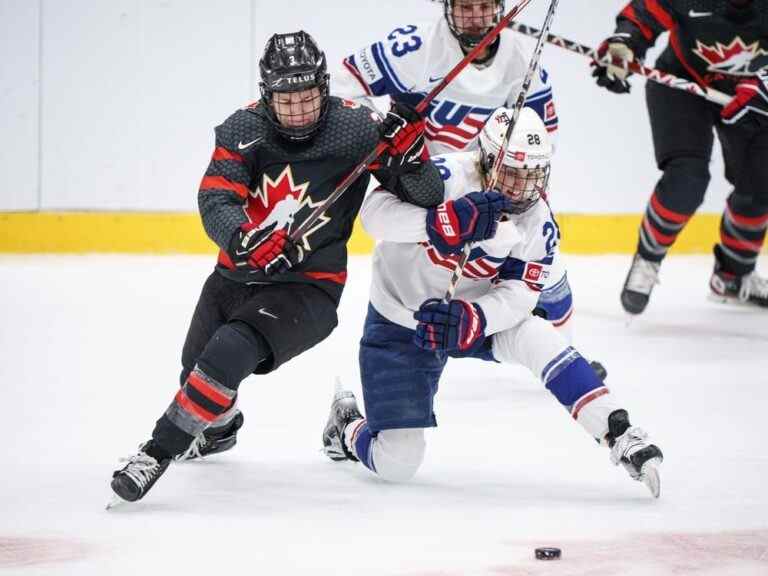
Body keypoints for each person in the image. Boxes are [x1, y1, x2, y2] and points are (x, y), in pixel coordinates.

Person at [108, 30, 443, 505]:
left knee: (225, 355)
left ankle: (155, 453)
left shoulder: (359, 130)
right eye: (287, 100)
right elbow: (215, 197)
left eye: (309, 97)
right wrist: (242, 238)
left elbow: (427, 196)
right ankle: (220, 429)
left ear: (324, 88)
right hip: (234, 277)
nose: (300, 110)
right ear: (267, 95)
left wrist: (413, 157)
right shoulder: (241, 129)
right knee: (198, 377)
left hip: (308, 288)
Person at [321, 107, 664, 498]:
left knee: (538, 334)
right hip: (400, 318)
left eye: (532, 176)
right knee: (397, 463)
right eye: (512, 173)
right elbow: (374, 217)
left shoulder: (539, 223)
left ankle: (619, 432)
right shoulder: (447, 175)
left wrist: (475, 318)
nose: (521, 190)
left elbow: (521, 294)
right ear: (485, 159)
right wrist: (439, 223)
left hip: (474, 320)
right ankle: (346, 425)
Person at [333, 0, 580, 338]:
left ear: (501, 7)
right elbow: (345, 83)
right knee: (404, 275)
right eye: (466, 7)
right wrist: (380, 130)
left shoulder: (526, 66)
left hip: (496, 192)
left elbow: (541, 150)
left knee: (547, 278)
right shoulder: (413, 49)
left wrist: (523, 215)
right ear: (446, 7)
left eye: (485, 7)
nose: (477, 19)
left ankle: (564, 346)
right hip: (430, 190)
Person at [592, 0, 768, 313]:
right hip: (682, 84)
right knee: (686, 179)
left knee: (761, 183)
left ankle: (732, 276)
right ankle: (647, 258)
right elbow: (643, 16)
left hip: (753, 97)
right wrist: (623, 47)